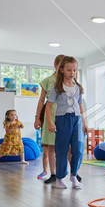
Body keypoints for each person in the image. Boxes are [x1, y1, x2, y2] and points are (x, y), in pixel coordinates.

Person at [45, 56, 88, 189]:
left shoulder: (78, 88)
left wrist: (84, 123)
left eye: (74, 70)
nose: (72, 73)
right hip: (62, 120)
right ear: (62, 70)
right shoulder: (56, 87)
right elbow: (48, 105)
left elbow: (80, 106)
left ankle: (73, 175)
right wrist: (51, 122)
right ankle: (59, 178)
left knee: (78, 150)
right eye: (69, 70)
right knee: (62, 150)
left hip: (77, 120)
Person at [34, 54, 64, 182]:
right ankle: (53, 174)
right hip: (50, 114)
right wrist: (37, 117)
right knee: (51, 147)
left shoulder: (68, 80)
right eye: (60, 66)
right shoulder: (47, 81)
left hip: (65, 115)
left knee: (66, 147)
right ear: (55, 66)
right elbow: (41, 101)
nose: (62, 69)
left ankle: (70, 173)